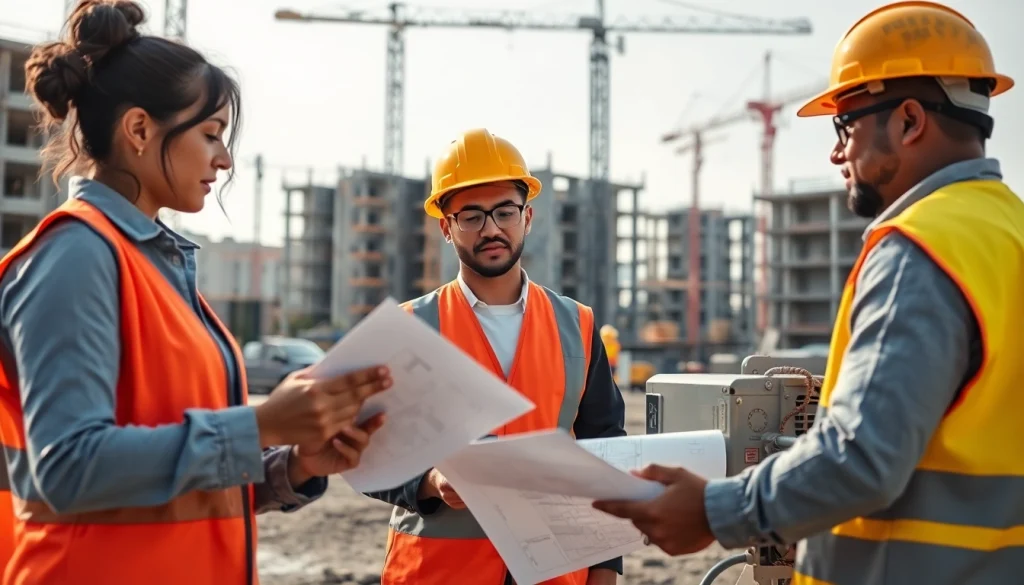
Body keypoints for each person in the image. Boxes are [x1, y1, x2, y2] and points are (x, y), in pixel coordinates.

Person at [592, 3, 1024, 585]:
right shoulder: (1008, 233)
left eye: (844, 125)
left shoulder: (920, 250)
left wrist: (714, 510)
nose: (836, 152)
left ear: (910, 120)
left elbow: (860, 458)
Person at [0, 2, 391, 584]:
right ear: (139, 130)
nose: (225, 159)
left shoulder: (153, 265)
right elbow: (68, 468)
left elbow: (173, 477)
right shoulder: (75, 256)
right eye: (210, 134)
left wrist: (294, 463)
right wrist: (261, 427)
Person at [363, 128, 626, 585]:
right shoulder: (409, 328)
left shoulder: (578, 326)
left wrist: (604, 575)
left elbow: (604, 458)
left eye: (505, 211)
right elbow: (363, 451)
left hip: (556, 573)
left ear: (528, 217)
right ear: (446, 227)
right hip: (438, 573)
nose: (491, 228)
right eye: (471, 216)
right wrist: (429, 482)